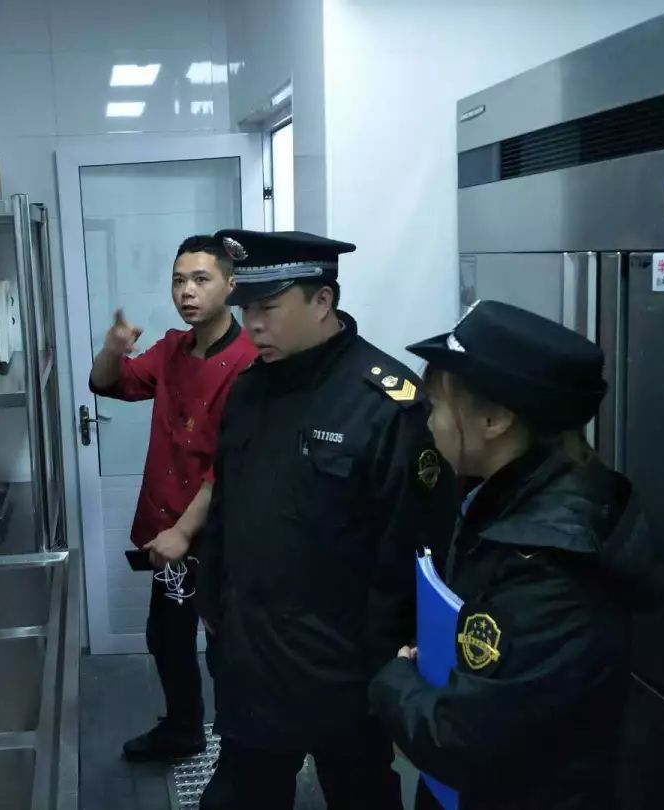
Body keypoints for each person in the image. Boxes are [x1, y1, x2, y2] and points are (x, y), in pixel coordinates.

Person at [196, 230, 457, 810]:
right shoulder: (250, 390)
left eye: (268, 308)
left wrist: (388, 673)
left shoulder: (387, 403)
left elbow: (415, 550)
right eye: (246, 309)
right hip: (251, 659)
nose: (252, 325)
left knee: (361, 795)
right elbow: (228, 507)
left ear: (323, 301)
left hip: (343, 672)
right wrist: (211, 602)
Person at [368, 300, 662, 810]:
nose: (430, 423)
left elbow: (460, 742)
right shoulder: (501, 493)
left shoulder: (552, 564)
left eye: (438, 406)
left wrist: (394, 682)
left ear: (495, 419)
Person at [90, 234, 257, 762]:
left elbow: (229, 465)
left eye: (201, 280)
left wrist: (186, 531)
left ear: (230, 285)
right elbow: (106, 384)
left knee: (228, 648)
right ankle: (183, 730)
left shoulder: (250, 362)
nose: (187, 291)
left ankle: (242, 753)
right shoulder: (171, 349)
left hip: (218, 533)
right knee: (166, 635)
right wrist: (114, 349)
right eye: (179, 280)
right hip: (167, 530)